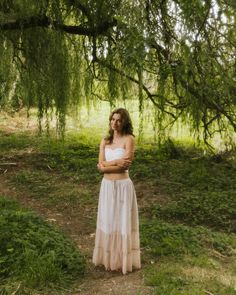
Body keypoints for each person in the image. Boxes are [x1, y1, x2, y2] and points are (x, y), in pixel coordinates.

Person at [92, 108, 141, 275]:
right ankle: (108, 259)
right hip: (107, 187)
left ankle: (122, 260)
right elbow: (100, 166)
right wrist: (116, 163)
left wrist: (108, 165)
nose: (115, 123)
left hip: (123, 186)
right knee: (109, 220)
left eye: (119, 120)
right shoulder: (105, 141)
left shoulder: (129, 139)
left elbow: (126, 165)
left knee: (122, 222)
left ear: (124, 122)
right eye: (113, 119)